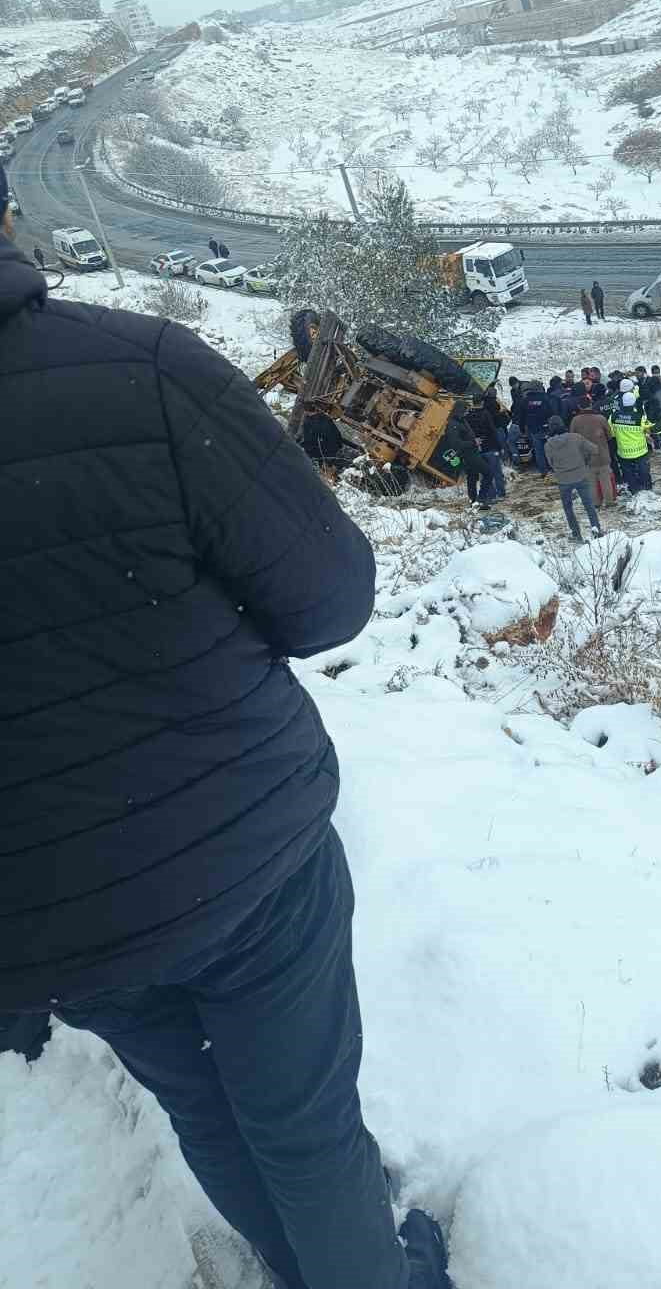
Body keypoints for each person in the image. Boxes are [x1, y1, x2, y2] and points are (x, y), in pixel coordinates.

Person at [0, 167, 449, 1289]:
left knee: (204, 1103)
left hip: (51, 921)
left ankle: (301, 1269)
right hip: (242, 858)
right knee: (304, 1126)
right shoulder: (140, 372)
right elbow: (331, 597)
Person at [544, 417, 602, 540]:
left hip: (563, 480)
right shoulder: (576, 437)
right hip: (581, 475)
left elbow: (551, 463)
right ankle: (596, 530)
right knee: (589, 505)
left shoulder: (548, 445)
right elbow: (595, 450)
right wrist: (585, 459)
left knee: (568, 508)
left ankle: (576, 534)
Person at [570, 396, 617, 506]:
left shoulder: (575, 420)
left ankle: (596, 502)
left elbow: (572, 437)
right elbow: (610, 435)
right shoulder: (600, 418)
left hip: (586, 456)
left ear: (579, 406)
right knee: (605, 479)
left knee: (591, 481)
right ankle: (609, 501)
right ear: (591, 404)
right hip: (602, 454)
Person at [467, 396, 506, 504]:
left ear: (472, 402)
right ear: (482, 402)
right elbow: (493, 431)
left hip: (477, 449)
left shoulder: (468, 416)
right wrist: (499, 446)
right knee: (496, 471)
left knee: (485, 474)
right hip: (490, 447)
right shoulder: (486, 414)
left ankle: (491, 495)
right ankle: (501, 493)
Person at [612, 391, 652, 493]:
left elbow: (611, 433)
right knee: (644, 471)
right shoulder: (639, 417)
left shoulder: (613, 416)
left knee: (628, 472)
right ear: (634, 402)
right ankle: (647, 488)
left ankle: (634, 490)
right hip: (640, 450)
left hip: (623, 451)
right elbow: (648, 429)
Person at [299, 402, 350, 471]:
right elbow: (337, 435)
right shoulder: (326, 418)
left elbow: (309, 440)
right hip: (333, 451)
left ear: (305, 411)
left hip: (321, 454)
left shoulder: (307, 422)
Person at [517, 381, 553, 475]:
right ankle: (553, 469)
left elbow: (521, 417)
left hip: (533, 429)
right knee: (550, 449)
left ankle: (544, 472)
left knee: (539, 451)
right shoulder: (545, 398)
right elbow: (551, 413)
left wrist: (522, 430)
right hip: (546, 428)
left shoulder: (525, 400)